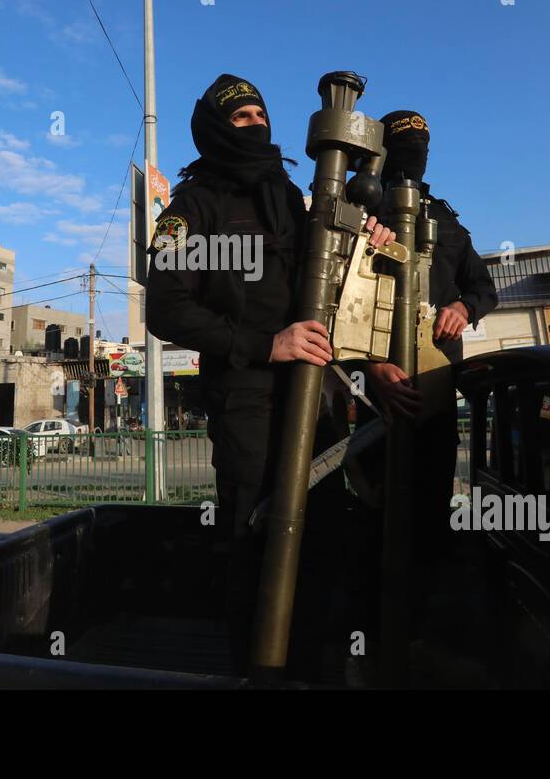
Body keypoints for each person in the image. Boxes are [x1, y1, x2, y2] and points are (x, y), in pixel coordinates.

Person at [146, 73, 395, 678]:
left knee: (322, 537)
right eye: (241, 118)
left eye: (261, 114)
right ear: (214, 129)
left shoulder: (288, 194)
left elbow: (334, 275)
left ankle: (311, 666)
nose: (257, 124)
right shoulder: (193, 207)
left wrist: (371, 242)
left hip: (318, 395)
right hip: (247, 399)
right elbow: (166, 309)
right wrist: (266, 345)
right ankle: (258, 672)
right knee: (259, 542)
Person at [357, 109, 498, 625]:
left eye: (422, 143)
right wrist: (370, 371)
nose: (414, 153)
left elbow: (483, 287)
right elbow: (331, 310)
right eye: (404, 142)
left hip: (434, 390)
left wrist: (464, 309)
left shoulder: (445, 221)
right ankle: (378, 622)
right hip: (370, 397)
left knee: (432, 507)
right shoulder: (362, 213)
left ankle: (426, 626)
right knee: (376, 510)